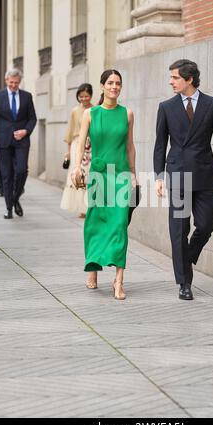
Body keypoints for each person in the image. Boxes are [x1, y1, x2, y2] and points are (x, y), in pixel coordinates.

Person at [153, 59, 213, 301]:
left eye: (175, 77)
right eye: (171, 77)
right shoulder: (166, 107)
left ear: (189, 79)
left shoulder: (212, 105)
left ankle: (188, 256)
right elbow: (160, 144)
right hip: (177, 175)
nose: (171, 81)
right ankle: (184, 283)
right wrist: (158, 175)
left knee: (207, 223)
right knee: (179, 229)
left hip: (203, 174)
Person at [72, 70, 137, 300]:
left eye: (118, 83)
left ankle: (119, 280)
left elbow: (130, 146)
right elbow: (81, 143)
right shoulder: (90, 114)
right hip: (99, 174)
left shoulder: (127, 113)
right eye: (110, 83)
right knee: (96, 223)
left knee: (119, 225)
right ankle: (93, 267)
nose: (114, 87)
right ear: (102, 86)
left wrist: (133, 174)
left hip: (120, 176)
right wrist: (77, 166)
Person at [0, 68, 36, 219]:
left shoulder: (27, 97)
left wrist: (25, 131)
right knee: (6, 175)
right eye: (11, 82)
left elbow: (32, 119)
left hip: (22, 141)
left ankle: (15, 199)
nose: (14, 85)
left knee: (22, 170)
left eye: (16, 82)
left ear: (19, 82)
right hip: (3, 141)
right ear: (6, 81)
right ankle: (9, 208)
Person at [60, 83, 93, 218]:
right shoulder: (75, 111)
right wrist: (68, 152)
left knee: (90, 175)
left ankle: (89, 206)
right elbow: (70, 133)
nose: (84, 99)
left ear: (91, 96)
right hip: (77, 146)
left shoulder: (95, 109)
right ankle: (81, 207)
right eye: (81, 96)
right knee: (79, 175)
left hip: (92, 146)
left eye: (86, 96)